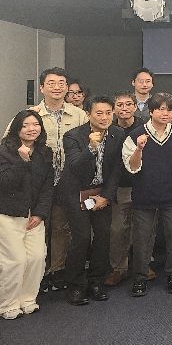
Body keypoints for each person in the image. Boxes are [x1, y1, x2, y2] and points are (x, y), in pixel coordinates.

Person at [28, 67, 89, 293]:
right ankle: (38, 272)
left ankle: (57, 270)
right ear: (41, 87)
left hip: (68, 181)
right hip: (38, 183)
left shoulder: (79, 115)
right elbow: (11, 143)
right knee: (38, 228)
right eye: (51, 83)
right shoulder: (30, 115)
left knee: (61, 227)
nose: (57, 87)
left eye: (61, 83)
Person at [122, 93, 172, 297]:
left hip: (171, 195)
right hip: (144, 196)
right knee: (142, 239)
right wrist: (139, 149)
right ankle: (140, 277)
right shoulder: (135, 135)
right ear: (151, 111)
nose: (165, 113)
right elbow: (132, 168)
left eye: (169, 109)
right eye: (160, 109)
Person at [60, 96, 123, 305]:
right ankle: (75, 286)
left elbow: (116, 169)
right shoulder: (73, 136)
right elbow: (75, 166)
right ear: (88, 114)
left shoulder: (117, 134)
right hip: (76, 193)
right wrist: (91, 148)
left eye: (108, 113)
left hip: (101, 192)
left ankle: (96, 281)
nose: (104, 117)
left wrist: (106, 196)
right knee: (81, 238)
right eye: (99, 113)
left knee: (103, 236)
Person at [0, 110, 53, 320]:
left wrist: (40, 213)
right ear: (17, 129)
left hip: (34, 216)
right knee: (15, 261)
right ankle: (8, 304)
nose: (32, 129)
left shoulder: (45, 152)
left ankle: (28, 299)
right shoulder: (5, 150)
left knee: (37, 258)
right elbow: (5, 183)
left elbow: (48, 186)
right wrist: (22, 161)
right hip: (9, 215)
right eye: (26, 125)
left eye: (36, 124)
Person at [105, 92, 146, 287]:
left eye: (128, 104)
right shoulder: (109, 130)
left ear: (135, 107)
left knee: (143, 228)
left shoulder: (144, 128)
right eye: (119, 105)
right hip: (119, 186)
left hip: (142, 185)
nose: (124, 108)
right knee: (118, 229)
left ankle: (143, 265)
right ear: (114, 109)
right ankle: (118, 268)